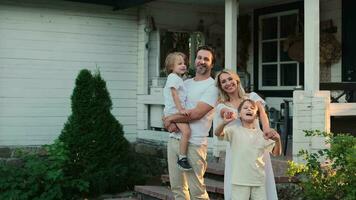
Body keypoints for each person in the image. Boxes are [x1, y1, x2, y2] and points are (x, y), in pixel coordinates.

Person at [213, 70, 279, 200]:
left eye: (230, 79)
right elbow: (224, 113)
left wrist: (266, 129)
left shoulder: (252, 97)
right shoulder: (222, 105)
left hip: (257, 144)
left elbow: (262, 114)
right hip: (238, 150)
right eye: (223, 82)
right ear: (221, 86)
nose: (228, 83)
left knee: (262, 184)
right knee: (238, 189)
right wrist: (229, 113)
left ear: (237, 80)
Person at [163, 45, 218, 200]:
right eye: (199, 58)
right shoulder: (184, 83)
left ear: (211, 64)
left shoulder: (213, 87)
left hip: (195, 144)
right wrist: (167, 120)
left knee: (197, 192)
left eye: (206, 59)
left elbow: (196, 114)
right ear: (195, 60)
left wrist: (170, 119)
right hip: (174, 141)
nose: (202, 61)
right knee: (178, 189)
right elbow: (170, 104)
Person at [163, 52, 192, 171]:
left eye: (184, 63)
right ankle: (182, 158)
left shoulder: (177, 78)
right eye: (179, 63)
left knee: (180, 131)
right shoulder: (173, 78)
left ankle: (181, 156)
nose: (183, 65)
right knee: (186, 132)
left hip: (172, 111)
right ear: (171, 67)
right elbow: (174, 94)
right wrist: (181, 110)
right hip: (174, 111)